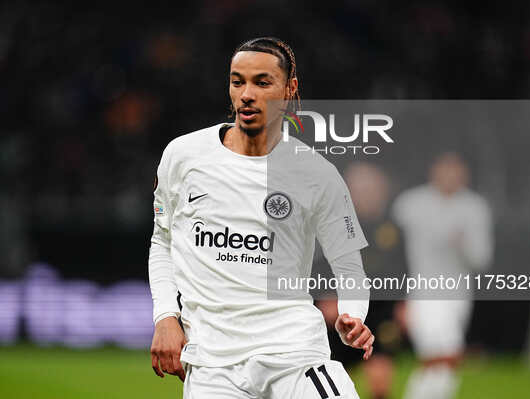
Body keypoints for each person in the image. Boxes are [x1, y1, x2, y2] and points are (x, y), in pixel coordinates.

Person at [148, 37, 374, 398]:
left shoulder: (318, 174)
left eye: (262, 82)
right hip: (211, 365)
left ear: (289, 88)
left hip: (294, 357)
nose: (246, 94)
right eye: (238, 81)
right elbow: (163, 243)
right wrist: (165, 317)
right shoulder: (184, 155)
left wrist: (352, 315)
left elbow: (349, 266)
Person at [392, 153, 493, 399]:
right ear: (433, 171)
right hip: (423, 292)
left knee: (441, 359)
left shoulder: (474, 207)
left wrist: (462, 243)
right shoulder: (410, 204)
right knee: (443, 351)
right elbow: (393, 253)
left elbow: (482, 259)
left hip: (458, 294)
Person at [316, 161, 407, 399]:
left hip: (379, 316)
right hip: (339, 316)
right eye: (361, 189)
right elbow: (314, 268)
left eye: (373, 188)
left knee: (379, 385)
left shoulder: (393, 230)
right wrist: (323, 300)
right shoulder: (328, 225)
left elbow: (402, 272)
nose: (369, 195)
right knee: (329, 384)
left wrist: (405, 305)